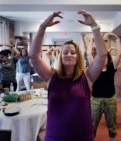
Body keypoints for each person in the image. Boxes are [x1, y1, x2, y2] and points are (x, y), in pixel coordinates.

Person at [29, 10, 107, 141]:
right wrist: (42, 27)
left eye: (73, 52)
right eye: (65, 52)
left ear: (78, 57)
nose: (69, 55)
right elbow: (34, 56)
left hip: (82, 136)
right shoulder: (51, 76)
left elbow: (102, 56)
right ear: (60, 56)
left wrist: (94, 26)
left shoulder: (87, 77)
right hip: (55, 136)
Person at [91, 32, 121, 141]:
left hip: (110, 100)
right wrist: (92, 40)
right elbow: (88, 53)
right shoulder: (94, 67)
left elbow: (119, 54)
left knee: (112, 125)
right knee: (92, 126)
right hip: (96, 100)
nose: (103, 60)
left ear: (108, 58)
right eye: (101, 58)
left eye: (105, 57)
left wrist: (117, 40)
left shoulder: (112, 66)